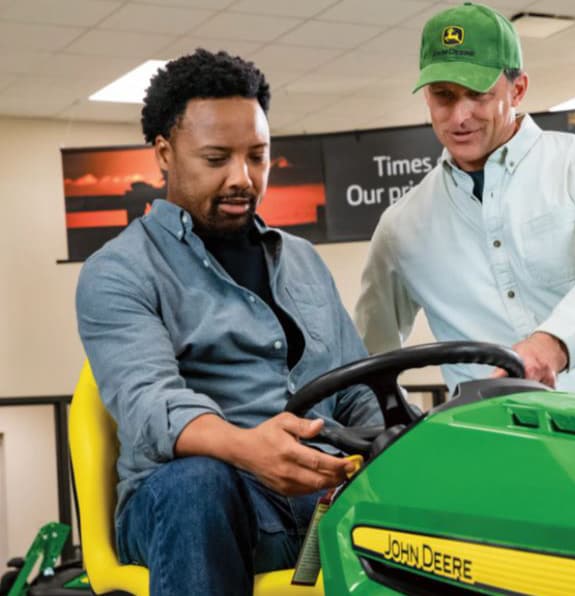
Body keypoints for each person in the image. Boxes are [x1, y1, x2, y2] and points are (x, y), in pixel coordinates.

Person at [75, 49, 380, 596]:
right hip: (192, 506)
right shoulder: (118, 271)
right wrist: (250, 450)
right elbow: (152, 405)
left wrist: (389, 443)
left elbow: (356, 389)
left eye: (257, 157)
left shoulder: (304, 260)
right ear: (165, 154)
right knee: (198, 484)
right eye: (216, 159)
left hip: (318, 499)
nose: (243, 178)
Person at [355, 2, 575, 401]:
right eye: (443, 96)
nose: (460, 116)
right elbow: (366, 353)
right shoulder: (402, 227)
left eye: (478, 94)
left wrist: (550, 346)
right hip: (491, 448)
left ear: (518, 89)